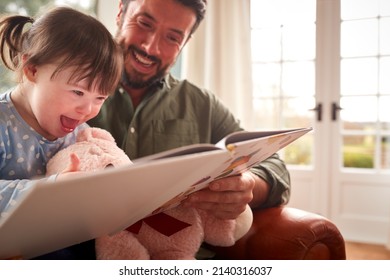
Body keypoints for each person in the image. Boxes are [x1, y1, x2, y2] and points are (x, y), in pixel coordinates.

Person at [88, 0, 291, 223]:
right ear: (120, 13)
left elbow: (275, 167)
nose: (150, 47)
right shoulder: (68, 84)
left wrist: (248, 185)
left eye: (173, 38)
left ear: (185, 43)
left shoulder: (203, 104)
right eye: (144, 23)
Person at [0, 6, 123, 259]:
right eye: (77, 92)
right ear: (32, 70)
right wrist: (50, 191)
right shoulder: (3, 123)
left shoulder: (80, 132)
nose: (87, 110)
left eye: (100, 97)